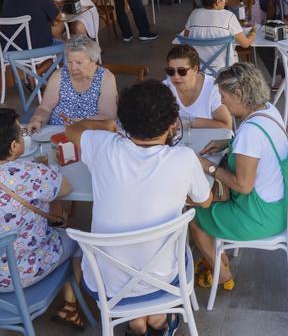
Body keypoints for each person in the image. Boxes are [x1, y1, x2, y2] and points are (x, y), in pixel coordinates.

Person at [65, 81, 213, 336]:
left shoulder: (102, 146)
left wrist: (106, 126)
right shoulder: (184, 158)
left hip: (107, 285)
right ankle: (158, 320)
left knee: (124, 257)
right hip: (163, 277)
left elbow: (72, 130)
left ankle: (137, 324)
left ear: (123, 122)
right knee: (163, 250)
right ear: (171, 125)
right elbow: (205, 200)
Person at [0, 108, 87, 329]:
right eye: (21, 132)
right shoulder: (29, 173)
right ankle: (70, 308)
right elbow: (66, 187)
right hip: (20, 275)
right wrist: (46, 170)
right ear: (14, 146)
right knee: (79, 241)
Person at [190, 62, 288, 291]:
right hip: (284, 205)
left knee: (194, 216)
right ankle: (218, 258)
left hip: (262, 217)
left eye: (223, 96)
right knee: (213, 199)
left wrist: (208, 167)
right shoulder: (269, 110)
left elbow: (243, 186)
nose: (222, 102)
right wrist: (228, 143)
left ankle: (223, 276)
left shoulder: (249, 133)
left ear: (238, 94)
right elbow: (260, 148)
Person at [25, 35, 117, 133]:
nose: (73, 68)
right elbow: (45, 108)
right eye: (69, 62)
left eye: (79, 63)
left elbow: (107, 116)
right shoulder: (59, 76)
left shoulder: (105, 78)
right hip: (57, 132)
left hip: (91, 134)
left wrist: (80, 123)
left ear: (93, 61)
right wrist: (37, 119)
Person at [183, 0, 256, 71]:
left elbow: (186, 39)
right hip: (225, 69)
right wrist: (253, 32)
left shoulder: (194, 14)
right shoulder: (228, 16)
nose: (226, 1)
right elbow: (245, 44)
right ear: (217, 2)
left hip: (197, 68)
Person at [164, 45, 233, 129]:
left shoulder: (212, 88)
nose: (176, 76)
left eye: (182, 71)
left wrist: (189, 122)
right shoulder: (165, 88)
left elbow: (227, 126)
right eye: (170, 71)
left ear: (195, 69)